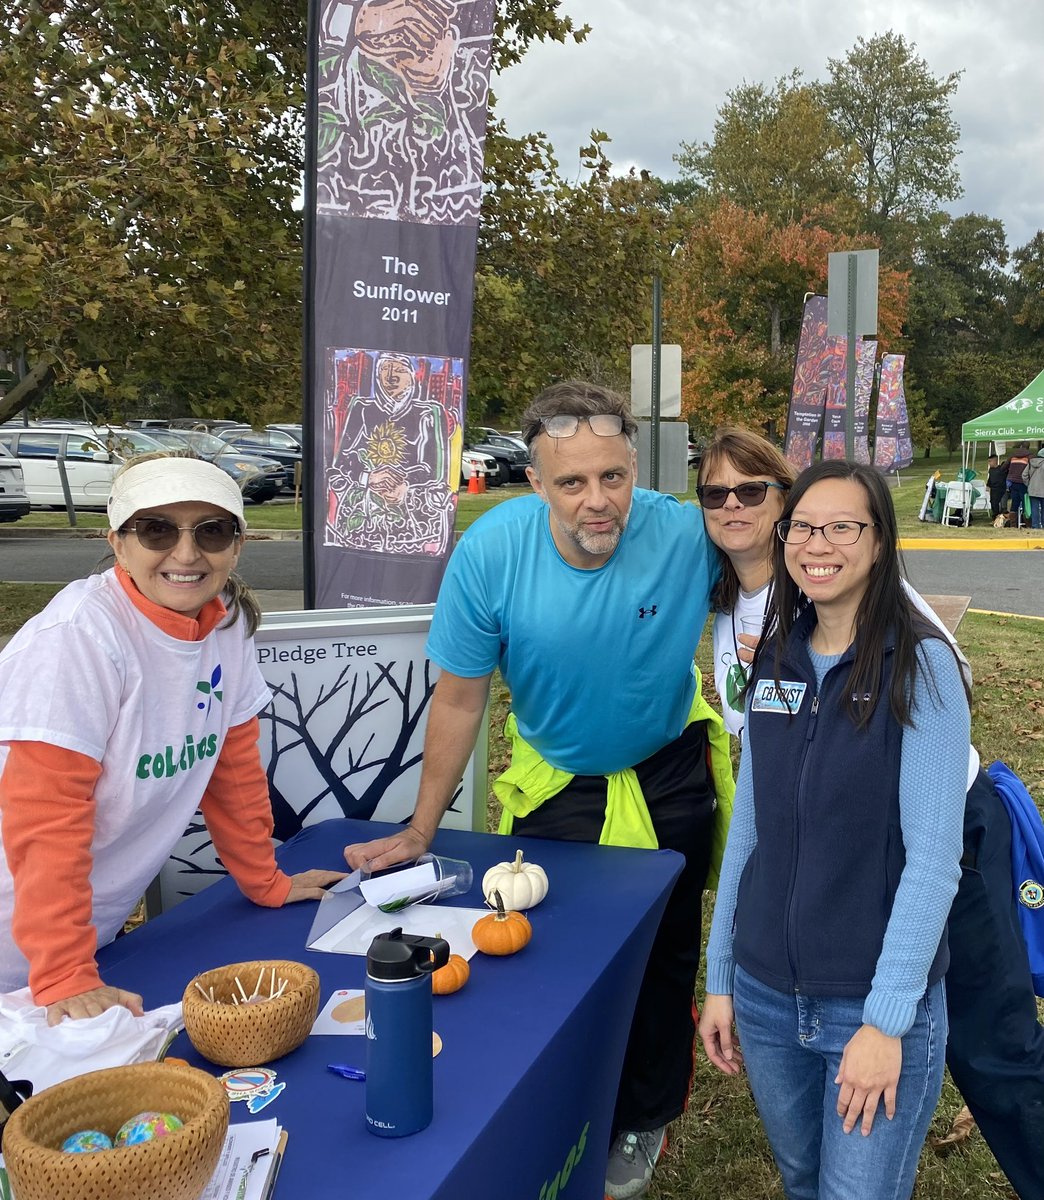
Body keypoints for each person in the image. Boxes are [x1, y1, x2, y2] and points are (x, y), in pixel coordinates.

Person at [344, 381, 734, 1200]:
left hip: (669, 770)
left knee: (665, 955)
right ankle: (561, 1103)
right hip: (558, 781)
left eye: (614, 477)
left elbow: (792, 559)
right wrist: (420, 828)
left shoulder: (685, 531)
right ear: (535, 482)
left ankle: (642, 1115)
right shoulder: (491, 552)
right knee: (553, 954)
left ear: (637, 468)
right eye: (572, 482)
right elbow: (459, 696)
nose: (599, 502)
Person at [698, 430, 1044, 1200]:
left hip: (870, 996)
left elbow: (931, 858)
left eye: (842, 526)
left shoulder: (918, 665)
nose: (817, 544)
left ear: (881, 543)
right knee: (802, 1177)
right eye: (805, 528)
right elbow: (750, 831)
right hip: (765, 993)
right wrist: (720, 977)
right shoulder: (774, 654)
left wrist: (887, 1022)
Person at [0, 452, 345, 1024]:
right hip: (20, 933)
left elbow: (232, 769)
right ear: (117, 542)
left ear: (237, 545)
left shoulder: (226, 619)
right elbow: (43, 816)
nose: (186, 554)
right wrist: (64, 972)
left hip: (83, 936)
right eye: (156, 529)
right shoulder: (76, 639)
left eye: (210, 532)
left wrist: (265, 880)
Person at [1007, 443, 1031, 528]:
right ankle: (1028, 524)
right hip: (1023, 482)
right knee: (1026, 503)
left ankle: (1013, 524)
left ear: (1021, 446)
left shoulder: (1012, 456)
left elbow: (1004, 467)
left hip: (1013, 482)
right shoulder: (1029, 457)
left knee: (1014, 503)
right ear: (1028, 447)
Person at [1022, 447, 1044, 530]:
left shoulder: (1031, 462)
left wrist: (1029, 484)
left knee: (1034, 508)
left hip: (1032, 489)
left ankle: (1035, 526)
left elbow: (1024, 475)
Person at [986, 453, 1010, 519]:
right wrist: (988, 485)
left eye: (990, 461)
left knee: (1003, 504)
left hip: (1002, 489)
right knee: (993, 503)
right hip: (994, 489)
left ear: (995, 461)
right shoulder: (991, 470)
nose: (989, 463)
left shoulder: (1001, 469)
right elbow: (990, 478)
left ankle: (1003, 516)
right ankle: (995, 516)